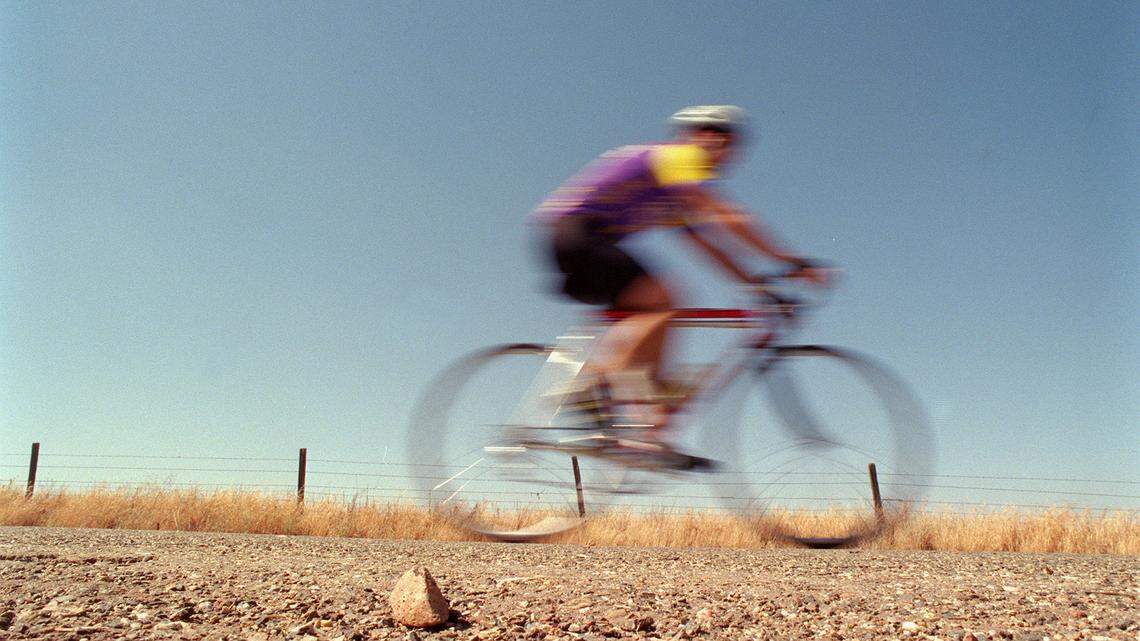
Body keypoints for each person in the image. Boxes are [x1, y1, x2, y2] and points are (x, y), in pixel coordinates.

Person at [533, 105, 827, 464]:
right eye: (728, 146)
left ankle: (647, 434)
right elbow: (726, 216)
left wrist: (754, 285)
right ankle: (591, 388)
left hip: (582, 242)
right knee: (664, 300)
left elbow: (706, 243)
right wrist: (791, 261)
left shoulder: (673, 191)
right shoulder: (678, 157)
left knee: (657, 327)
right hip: (577, 235)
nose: (729, 157)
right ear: (708, 137)